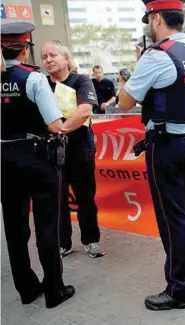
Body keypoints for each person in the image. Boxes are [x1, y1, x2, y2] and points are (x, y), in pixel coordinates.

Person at [119, 0, 185, 311]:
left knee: (174, 216)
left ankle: (179, 289)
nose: (149, 23)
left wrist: (134, 72)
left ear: (158, 17)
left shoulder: (156, 55)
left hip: (168, 146)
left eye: (150, 18)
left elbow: (124, 102)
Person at [1, 22, 75, 308]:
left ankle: (28, 289)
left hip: (4, 160)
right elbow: (55, 124)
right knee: (47, 225)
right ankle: (54, 291)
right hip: (37, 159)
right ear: (24, 48)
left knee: (14, 229)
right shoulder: (32, 78)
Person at [41, 41, 105, 259]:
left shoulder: (81, 81)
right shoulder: (41, 84)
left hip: (80, 151)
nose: (48, 60)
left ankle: (91, 240)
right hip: (51, 154)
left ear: (66, 59)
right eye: (44, 57)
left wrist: (61, 130)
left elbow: (85, 110)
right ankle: (63, 243)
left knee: (86, 198)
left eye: (52, 55)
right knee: (57, 201)